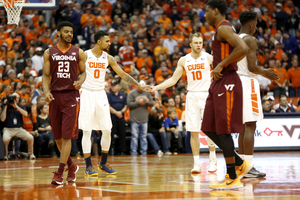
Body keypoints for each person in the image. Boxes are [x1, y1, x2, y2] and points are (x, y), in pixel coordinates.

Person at [79, 30, 151, 176]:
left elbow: (123, 74)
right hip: (86, 92)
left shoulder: (109, 58)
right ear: (99, 42)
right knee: (87, 131)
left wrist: (139, 84)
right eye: (107, 41)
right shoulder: (85, 55)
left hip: (100, 93)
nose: (109, 43)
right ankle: (88, 166)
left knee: (107, 130)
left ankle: (103, 163)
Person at [151, 32, 217, 174]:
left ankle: (213, 159)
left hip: (206, 94)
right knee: (193, 131)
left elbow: (221, 71)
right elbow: (173, 80)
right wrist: (156, 87)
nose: (199, 45)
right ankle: (196, 163)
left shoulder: (209, 57)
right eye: (196, 43)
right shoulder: (184, 60)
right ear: (190, 44)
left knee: (209, 130)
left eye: (200, 42)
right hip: (192, 96)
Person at [202, 0, 252, 190]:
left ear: (215, 10)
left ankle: (232, 177)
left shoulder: (223, 29)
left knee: (223, 130)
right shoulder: (220, 30)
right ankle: (239, 163)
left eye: (206, 11)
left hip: (228, 81)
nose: (204, 15)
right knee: (208, 126)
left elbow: (243, 49)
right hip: (218, 82)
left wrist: (221, 64)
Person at [42, 21, 87, 185]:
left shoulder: (79, 52)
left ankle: (60, 173)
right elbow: (46, 76)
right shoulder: (49, 52)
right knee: (58, 138)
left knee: (67, 137)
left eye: (71, 32)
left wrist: (80, 81)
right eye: (66, 32)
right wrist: (46, 91)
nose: (70, 34)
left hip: (71, 96)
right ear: (58, 34)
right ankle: (71, 166)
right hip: (54, 96)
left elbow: (83, 73)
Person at [237, 11, 279, 178]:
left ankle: (241, 165)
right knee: (250, 125)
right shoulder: (250, 39)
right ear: (252, 24)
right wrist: (266, 72)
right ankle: (248, 167)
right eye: (256, 25)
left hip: (237, 82)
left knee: (242, 126)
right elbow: (252, 68)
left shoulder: (235, 38)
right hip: (247, 82)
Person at [0, 93, 35, 160]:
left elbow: (26, 114)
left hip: (19, 129)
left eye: (17, 98)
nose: (15, 99)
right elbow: (2, 119)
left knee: (30, 137)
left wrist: (16, 106)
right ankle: (6, 155)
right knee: (5, 139)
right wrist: (6, 106)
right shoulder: (5, 107)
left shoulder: (21, 106)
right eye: (14, 98)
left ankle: (31, 154)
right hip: (8, 129)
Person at [127, 80, 154, 155]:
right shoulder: (131, 93)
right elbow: (128, 104)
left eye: (143, 87)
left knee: (144, 136)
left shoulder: (147, 93)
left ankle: (143, 152)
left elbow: (152, 103)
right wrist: (139, 102)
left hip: (144, 118)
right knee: (134, 136)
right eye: (141, 87)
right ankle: (134, 152)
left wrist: (148, 101)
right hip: (134, 118)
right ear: (137, 86)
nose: (142, 89)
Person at [107, 79, 127, 155]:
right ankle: (108, 151)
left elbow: (126, 106)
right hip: (112, 118)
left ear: (118, 86)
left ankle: (122, 150)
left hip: (121, 118)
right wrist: (116, 112)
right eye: (112, 86)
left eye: (114, 86)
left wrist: (121, 112)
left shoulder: (123, 95)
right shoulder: (108, 95)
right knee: (111, 135)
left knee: (122, 134)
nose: (113, 87)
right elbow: (108, 106)